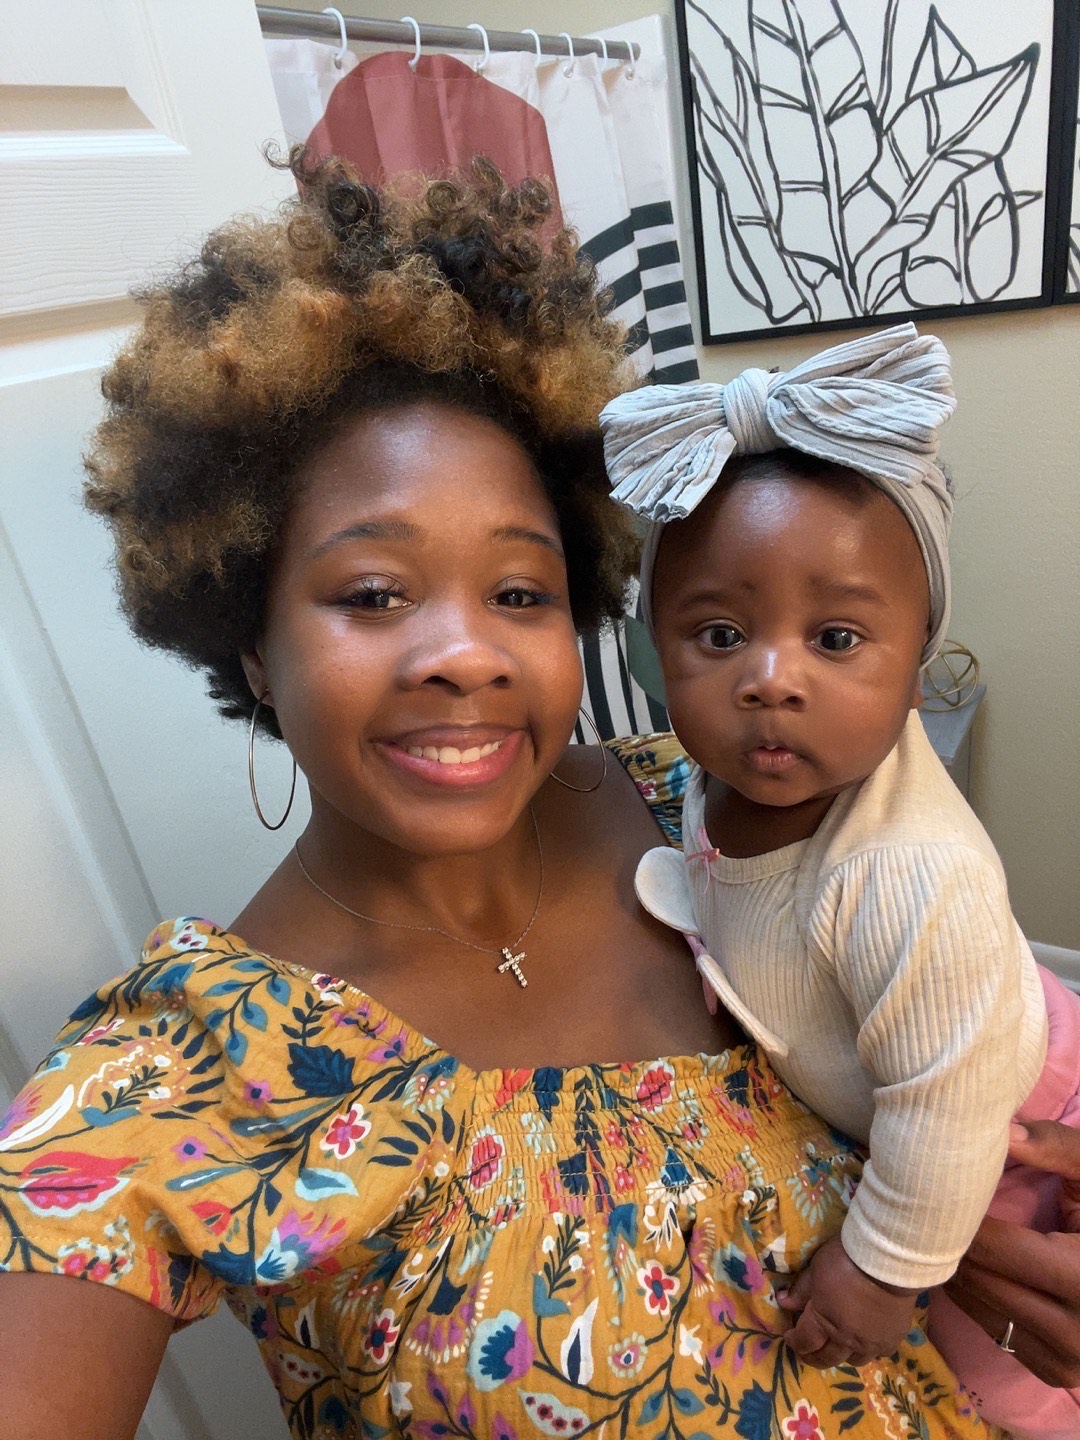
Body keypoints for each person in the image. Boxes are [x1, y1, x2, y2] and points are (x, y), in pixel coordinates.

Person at [0, 154, 1074, 1440]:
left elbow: (985, 1037)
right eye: (372, 594)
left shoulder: (724, 811)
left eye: (521, 592)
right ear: (248, 642)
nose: (468, 651)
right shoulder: (184, 1068)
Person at [600, 326, 1080, 1438]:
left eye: (836, 636)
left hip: (1003, 1130)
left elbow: (946, 1112)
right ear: (655, 658)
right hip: (920, 1091)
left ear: (916, 669)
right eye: (719, 633)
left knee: (1010, 1370)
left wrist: (879, 1271)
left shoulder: (908, 876)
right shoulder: (710, 780)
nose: (771, 679)